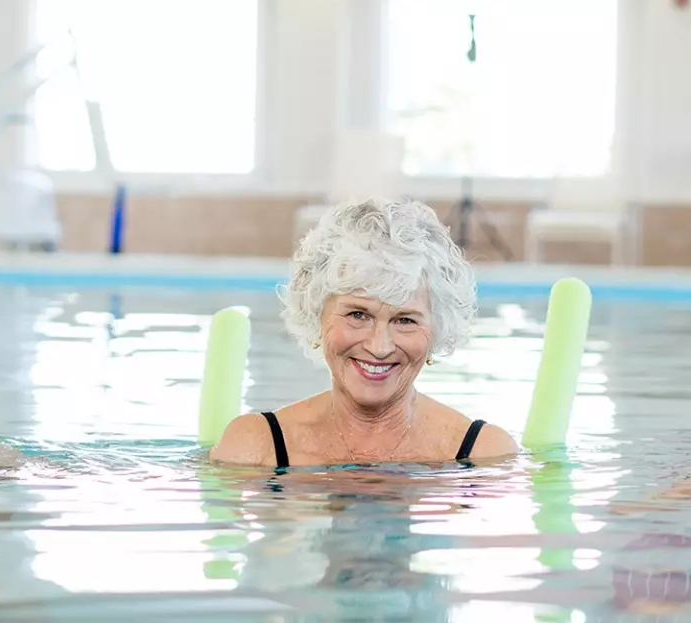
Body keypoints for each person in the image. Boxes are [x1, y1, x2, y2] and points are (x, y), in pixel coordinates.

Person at [211, 198, 516, 468]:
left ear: (437, 330)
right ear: (317, 316)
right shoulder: (254, 447)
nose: (379, 346)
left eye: (405, 320)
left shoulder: (483, 454)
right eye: (358, 314)